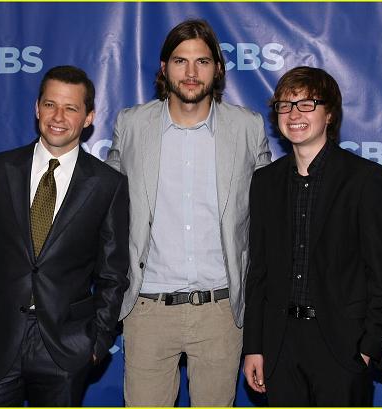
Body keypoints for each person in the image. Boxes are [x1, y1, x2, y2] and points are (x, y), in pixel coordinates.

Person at [0, 65, 130, 406]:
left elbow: (112, 274)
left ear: (88, 117)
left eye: (71, 108)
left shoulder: (108, 185)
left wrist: (96, 343)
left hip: (64, 348)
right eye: (50, 104)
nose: (58, 116)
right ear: (37, 108)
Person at [106, 19, 271, 407]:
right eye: (181, 61)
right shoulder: (131, 124)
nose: (191, 72)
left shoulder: (247, 127)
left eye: (203, 61)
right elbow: (105, 208)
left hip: (221, 311)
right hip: (147, 309)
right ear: (164, 68)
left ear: (218, 69)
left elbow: (268, 218)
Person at [243, 66, 382, 406]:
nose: (294, 114)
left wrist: (368, 348)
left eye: (307, 104)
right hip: (280, 345)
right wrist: (254, 346)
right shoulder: (265, 182)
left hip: (341, 347)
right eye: (285, 105)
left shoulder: (364, 179)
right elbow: (258, 273)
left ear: (329, 114)